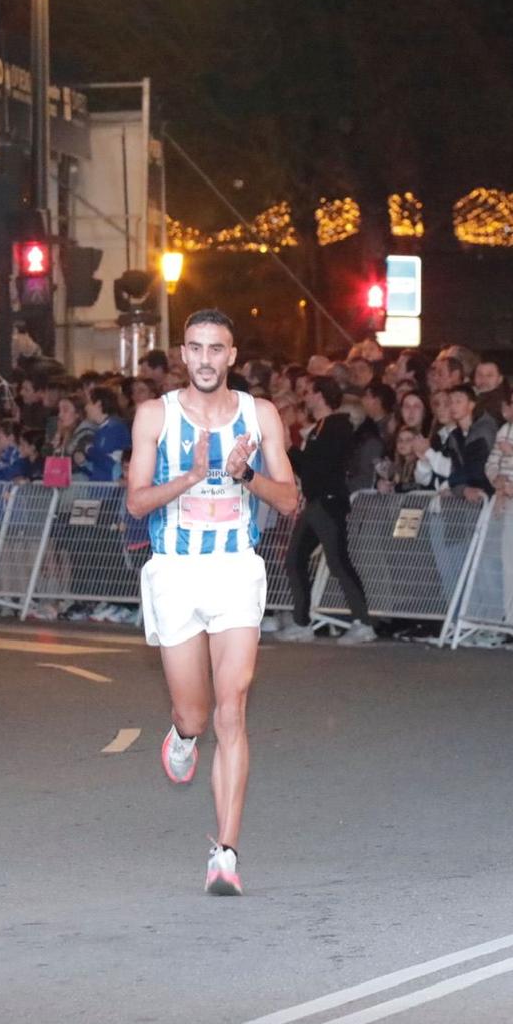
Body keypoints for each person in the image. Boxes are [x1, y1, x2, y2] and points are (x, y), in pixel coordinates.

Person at [124, 309, 300, 896]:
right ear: (183, 353)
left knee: (233, 709)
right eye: (196, 348)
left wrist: (244, 474)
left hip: (235, 571)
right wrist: (192, 476)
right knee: (196, 715)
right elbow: (136, 503)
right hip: (175, 572)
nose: (205, 359)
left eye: (216, 349)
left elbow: (291, 500)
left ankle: (224, 853)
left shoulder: (261, 415)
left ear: (232, 355)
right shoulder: (155, 415)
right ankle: (181, 734)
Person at [279, 376, 379, 646]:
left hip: (327, 502)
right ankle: (302, 622)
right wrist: (291, 450)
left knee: (337, 561)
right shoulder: (320, 429)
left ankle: (362, 622)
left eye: (309, 392)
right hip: (317, 502)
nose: (305, 397)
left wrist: (290, 448)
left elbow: (318, 465)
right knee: (296, 558)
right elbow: (309, 467)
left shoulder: (335, 427)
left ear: (321, 395)